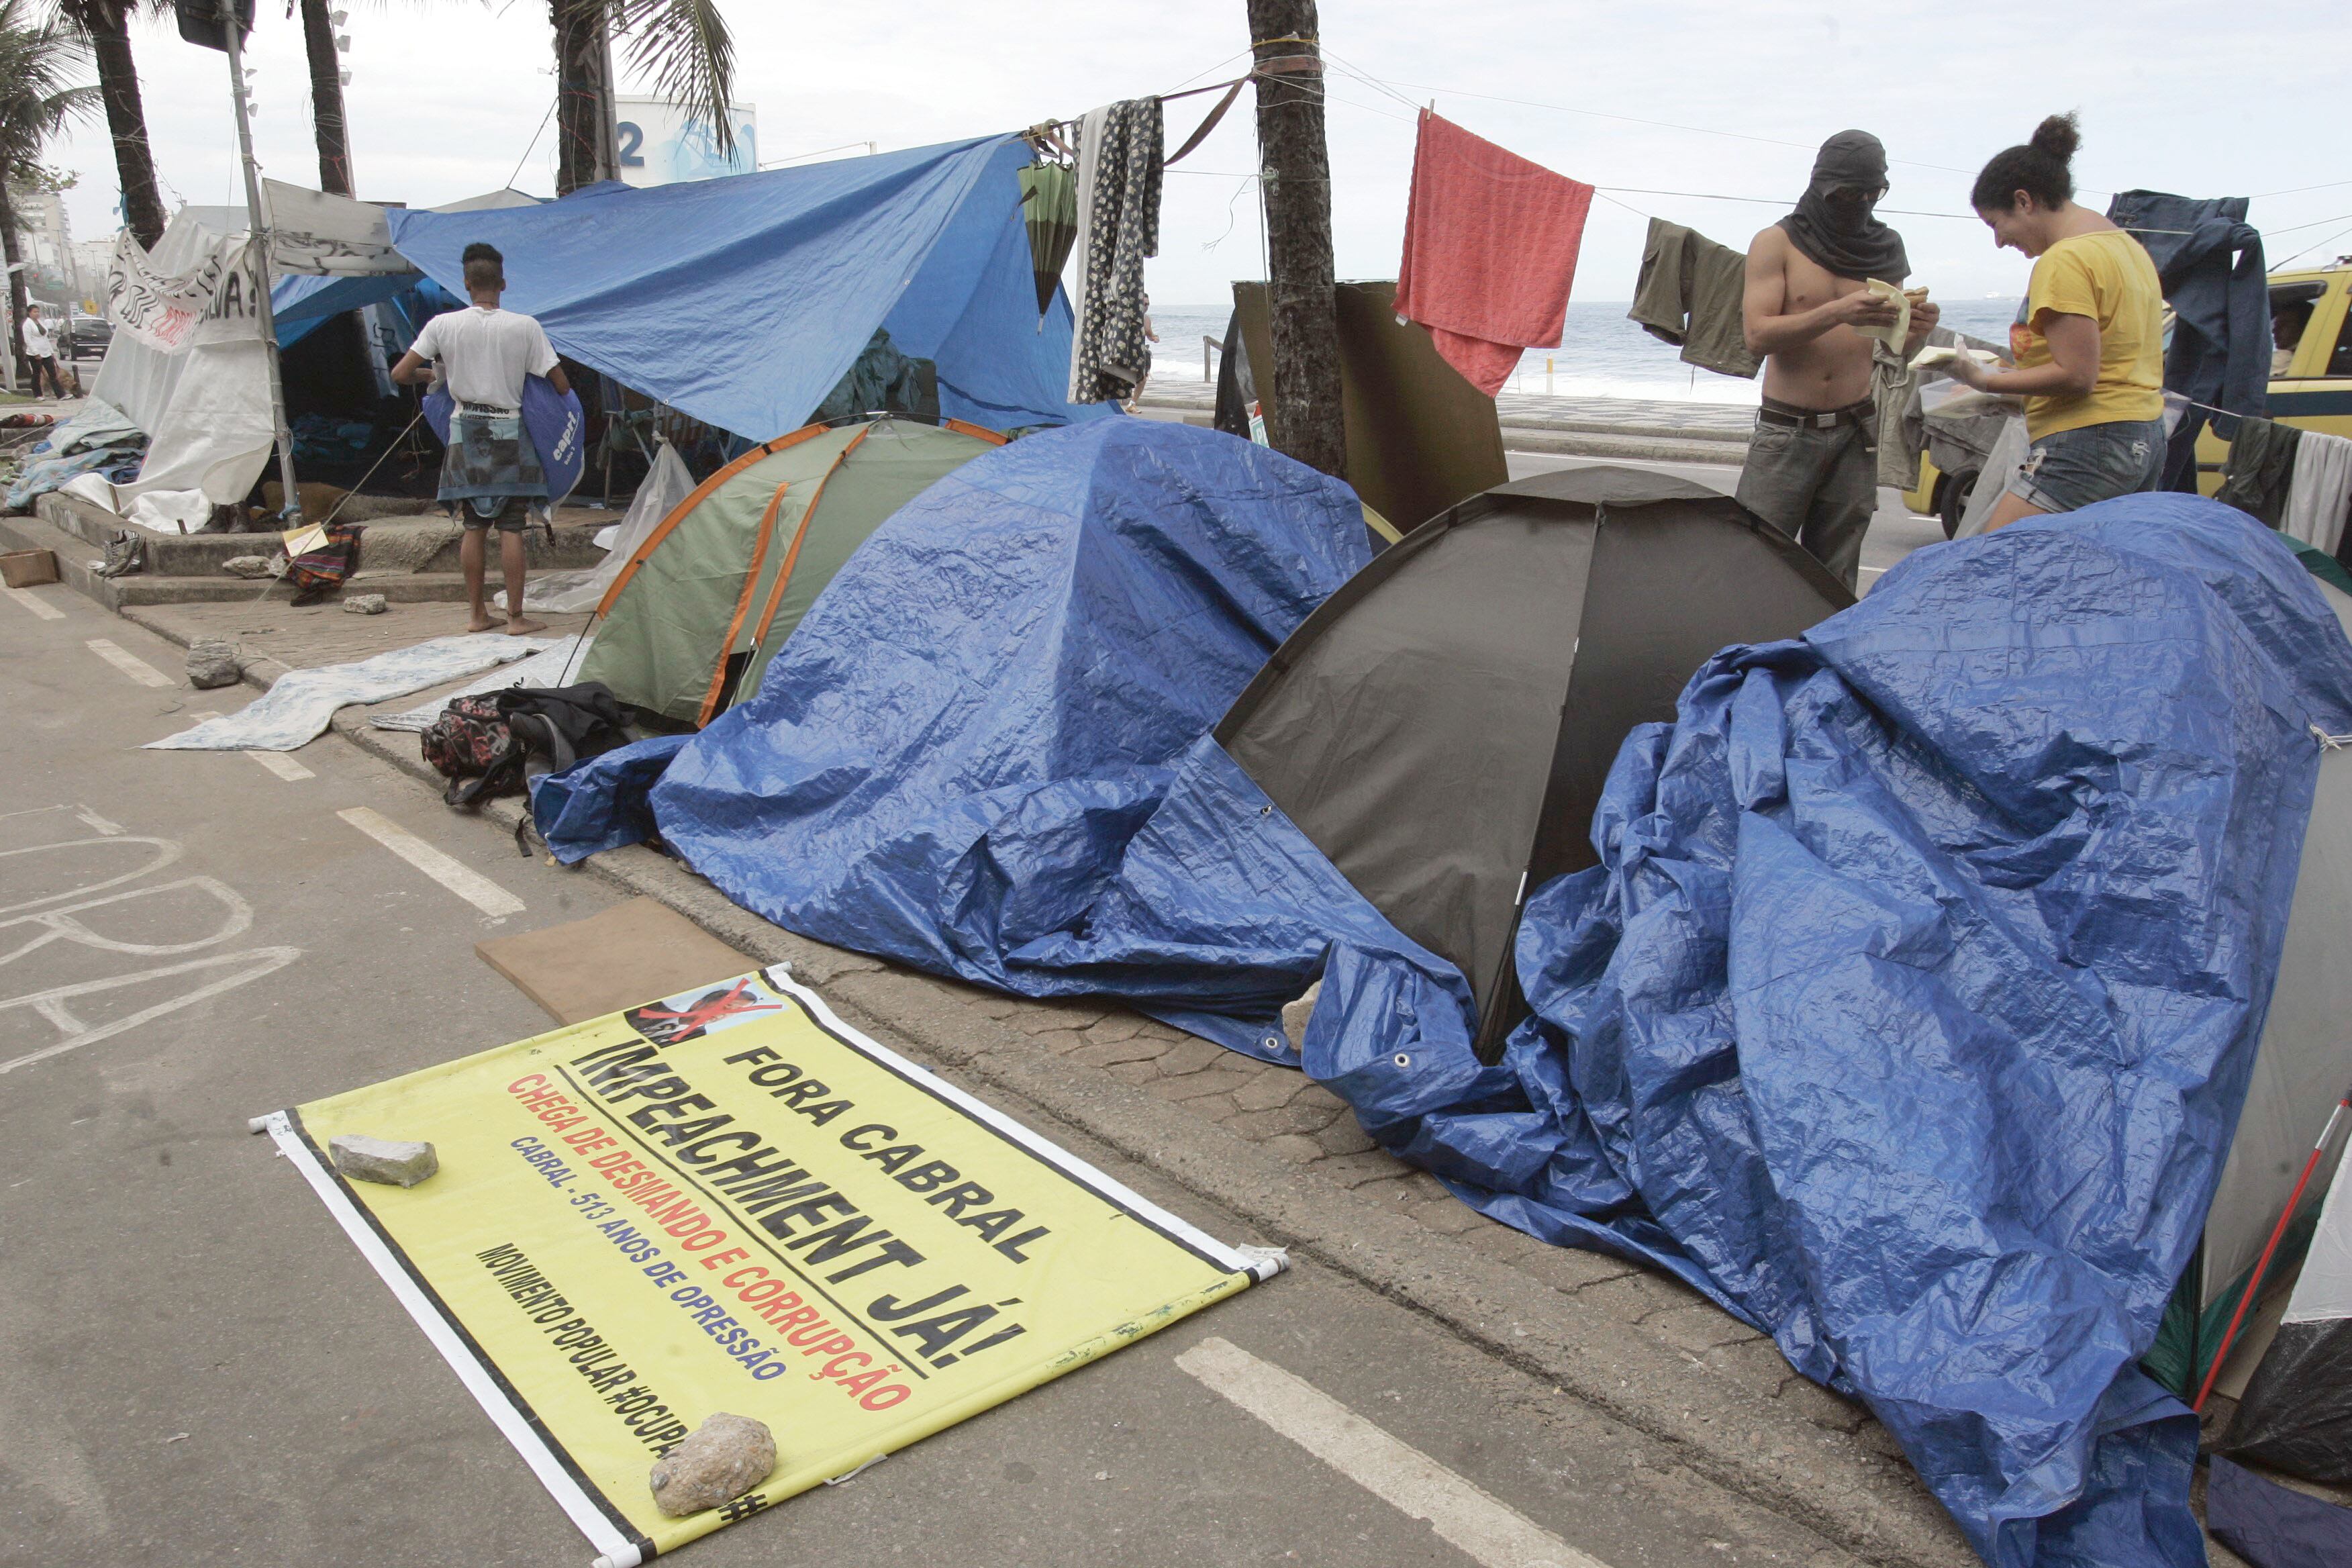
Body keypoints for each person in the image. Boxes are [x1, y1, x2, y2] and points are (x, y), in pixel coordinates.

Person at [1739, 130, 1939, 589]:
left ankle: (1821, 659)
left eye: (1873, 194)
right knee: (1755, 563)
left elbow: (1894, 346)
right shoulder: (1777, 242)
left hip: (1855, 430)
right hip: (1787, 431)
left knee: (1836, 575)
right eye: (1850, 194)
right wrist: (1836, 312)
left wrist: (1915, 329)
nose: (1862, 203)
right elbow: (1756, 335)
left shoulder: (1885, 247)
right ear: (1824, 186)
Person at [1946, 115, 2165, 530]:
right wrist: (2008, 382)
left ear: (2025, 201)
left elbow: (2077, 376)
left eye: (1997, 223)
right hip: (2144, 435)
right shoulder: (2128, 249)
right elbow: (2110, 362)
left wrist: (1982, 379)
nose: (1999, 241)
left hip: (2090, 442)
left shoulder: (2065, 259)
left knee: (1989, 566)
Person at [391, 242, 569, 635]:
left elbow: (400, 374)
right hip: (509, 430)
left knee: (474, 525)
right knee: (511, 525)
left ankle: (476, 615)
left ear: (467, 284)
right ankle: (516, 619)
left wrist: (433, 377)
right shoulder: (526, 326)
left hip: (464, 431)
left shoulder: (442, 325)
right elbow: (561, 384)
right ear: (502, 284)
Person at [19, 305, 68, 400]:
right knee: (37, 374)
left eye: (38, 312)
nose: (37, 314)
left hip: (46, 352)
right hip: (35, 353)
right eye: (35, 312)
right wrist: (36, 352)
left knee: (52, 373)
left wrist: (51, 352)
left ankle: (61, 394)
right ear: (29, 313)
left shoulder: (41, 322)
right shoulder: (27, 324)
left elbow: (45, 338)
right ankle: (38, 395)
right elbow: (28, 340)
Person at [2272, 299, 2313, 378]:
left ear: (2303, 328)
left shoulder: (2285, 358)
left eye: (2283, 325)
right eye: (2276, 325)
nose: (2274, 330)